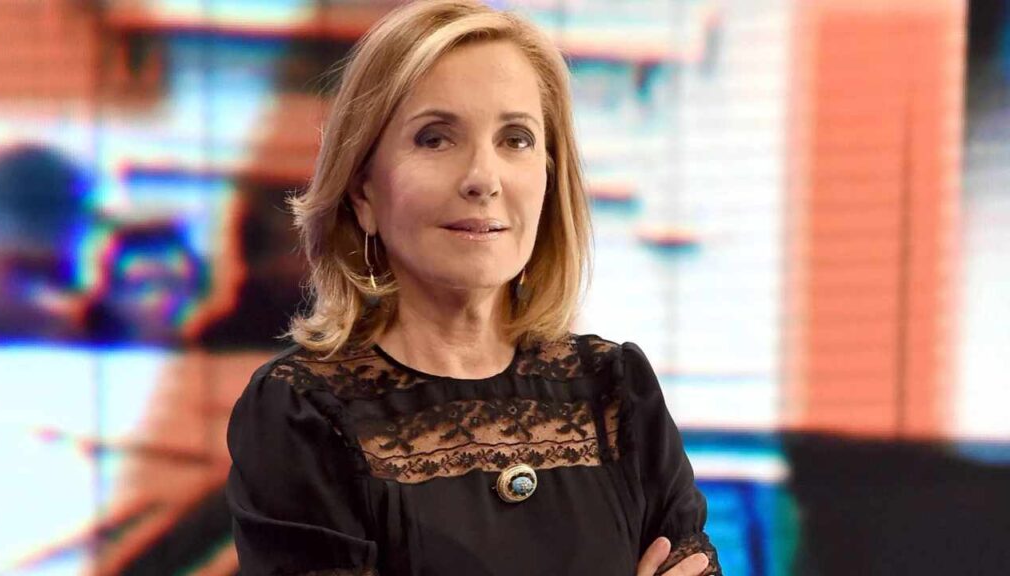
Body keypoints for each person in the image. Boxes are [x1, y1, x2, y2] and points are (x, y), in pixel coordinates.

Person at [225, 1, 722, 575]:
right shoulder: (303, 414)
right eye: (435, 138)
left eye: (516, 139)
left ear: (548, 177)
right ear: (363, 192)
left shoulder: (617, 390)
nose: (483, 179)